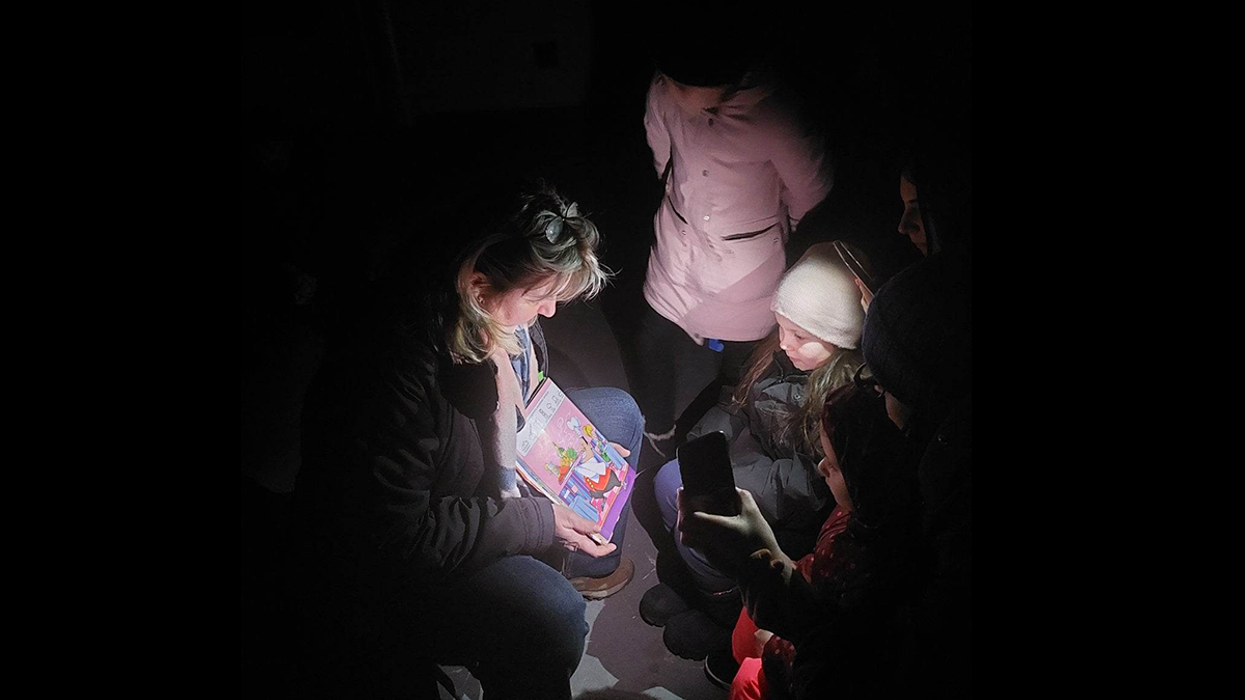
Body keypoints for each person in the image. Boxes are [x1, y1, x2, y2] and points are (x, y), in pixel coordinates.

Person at [291, 184, 642, 700]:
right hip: (407, 558)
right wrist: (536, 520)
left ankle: (581, 565)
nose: (550, 312)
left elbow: (522, 399)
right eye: (539, 298)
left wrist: (573, 446)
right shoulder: (395, 378)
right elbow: (401, 538)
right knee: (551, 617)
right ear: (479, 288)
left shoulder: (489, 315)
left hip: (476, 471)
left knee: (619, 415)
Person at [639, 243, 864, 660]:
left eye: (800, 336)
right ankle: (699, 578)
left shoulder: (841, 399)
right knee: (672, 483)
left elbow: (808, 485)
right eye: (780, 327)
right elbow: (736, 401)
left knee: (685, 497)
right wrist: (705, 442)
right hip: (753, 461)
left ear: (839, 340)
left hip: (791, 510)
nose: (784, 343)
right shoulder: (777, 353)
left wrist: (730, 478)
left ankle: (726, 609)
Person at [631, 34, 835, 463]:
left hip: (745, 261)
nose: (671, 92)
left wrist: (775, 226)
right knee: (653, 335)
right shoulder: (664, 91)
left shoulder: (776, 113)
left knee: (742, 355)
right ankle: (658, 429)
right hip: (678, 241)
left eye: (684, 85)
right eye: (668, 80)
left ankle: (725, 425)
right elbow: (660, 147)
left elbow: (810, 189)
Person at [678, 382, 914, 698]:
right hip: (806, 589)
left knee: (747, 681)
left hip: (799, 659)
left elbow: (834, 650)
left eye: (834, 465)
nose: (822, 466)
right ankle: (735, 657)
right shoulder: (851, 512)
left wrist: (777, 645)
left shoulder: (871, 564)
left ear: (866, 479)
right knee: (745, 631)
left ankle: (745, 666)